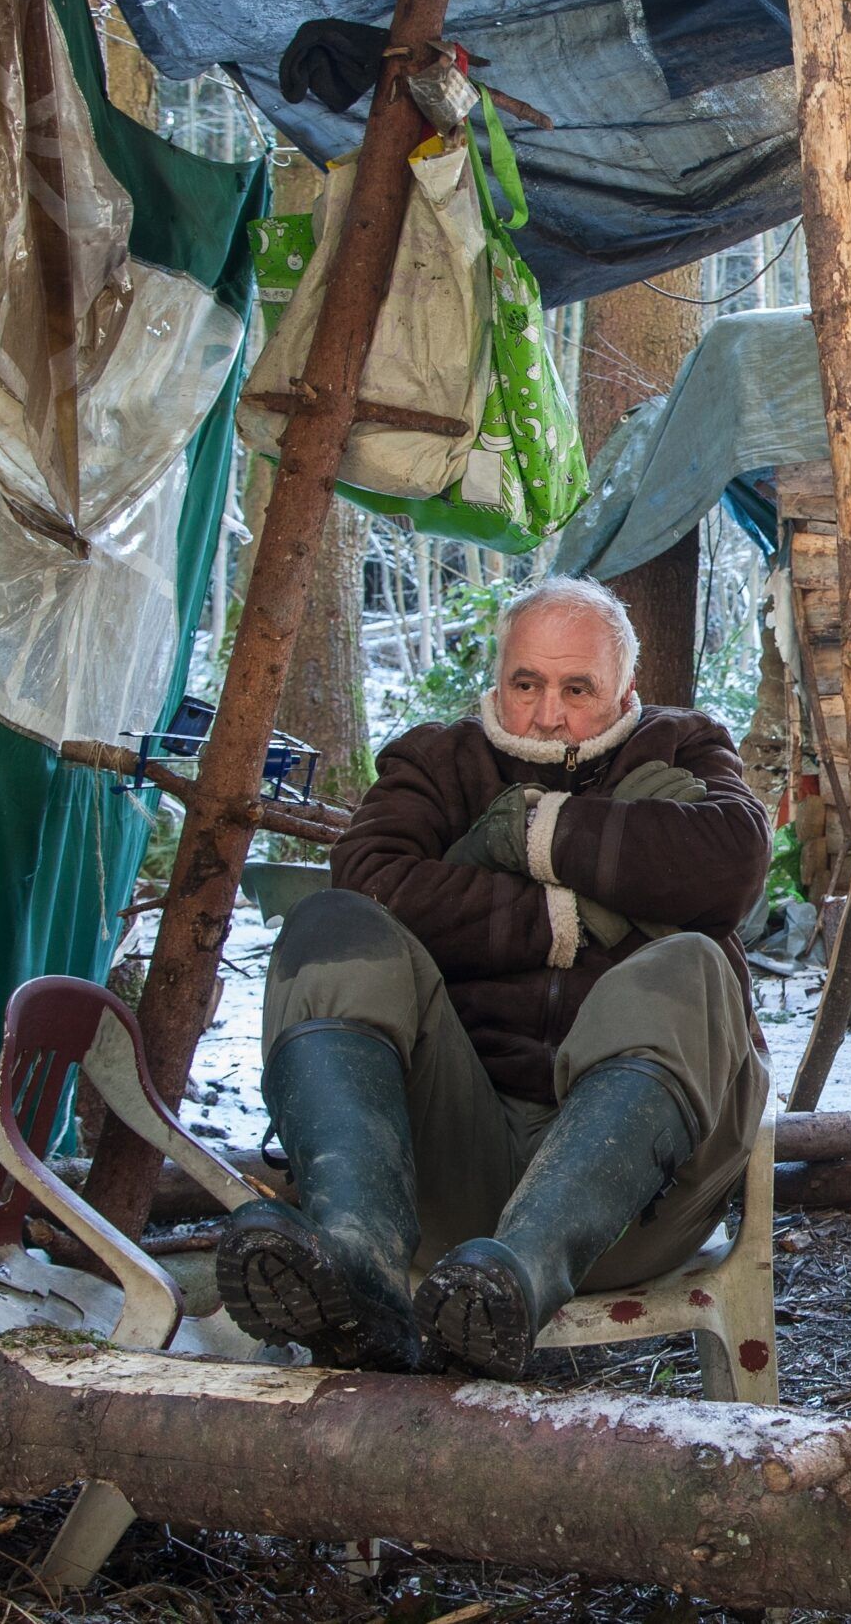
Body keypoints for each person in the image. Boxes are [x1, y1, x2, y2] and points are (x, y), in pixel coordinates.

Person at [214, 576, 771, 1378]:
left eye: (577, 688)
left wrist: (529, 831)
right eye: (527, 684)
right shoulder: (439, 760)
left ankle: (522, 1273)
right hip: (446, 1174)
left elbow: (729, 865)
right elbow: (372, 878)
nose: (549, 713)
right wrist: (567, 918)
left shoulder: (682, 747)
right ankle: (356, 1257)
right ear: (498, 683)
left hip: (638, 1205)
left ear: (625, 696)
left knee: (691, 962)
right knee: (332, 930)